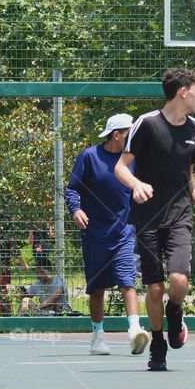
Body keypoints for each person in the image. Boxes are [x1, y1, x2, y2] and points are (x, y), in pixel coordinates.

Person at [115, 68, 195, 371]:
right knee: (155, 288)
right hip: (146, 219)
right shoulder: (146, 124)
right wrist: (136, 184)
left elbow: (187, 174)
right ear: (182, 91)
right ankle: (157, 342)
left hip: (180, 216)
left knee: (179, 280)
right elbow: (121, 167)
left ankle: (175, 312)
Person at [66, 112, 151, 356]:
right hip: (94, 235)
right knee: (97, 289)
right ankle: (98, 337)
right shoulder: (89, 157)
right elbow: (72, 189)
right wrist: (76, 210)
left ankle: (135, 331)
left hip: (124, 233)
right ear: (117, 135)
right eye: (129, 134)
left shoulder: (134, 160)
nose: (134, 139)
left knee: (128, 282)